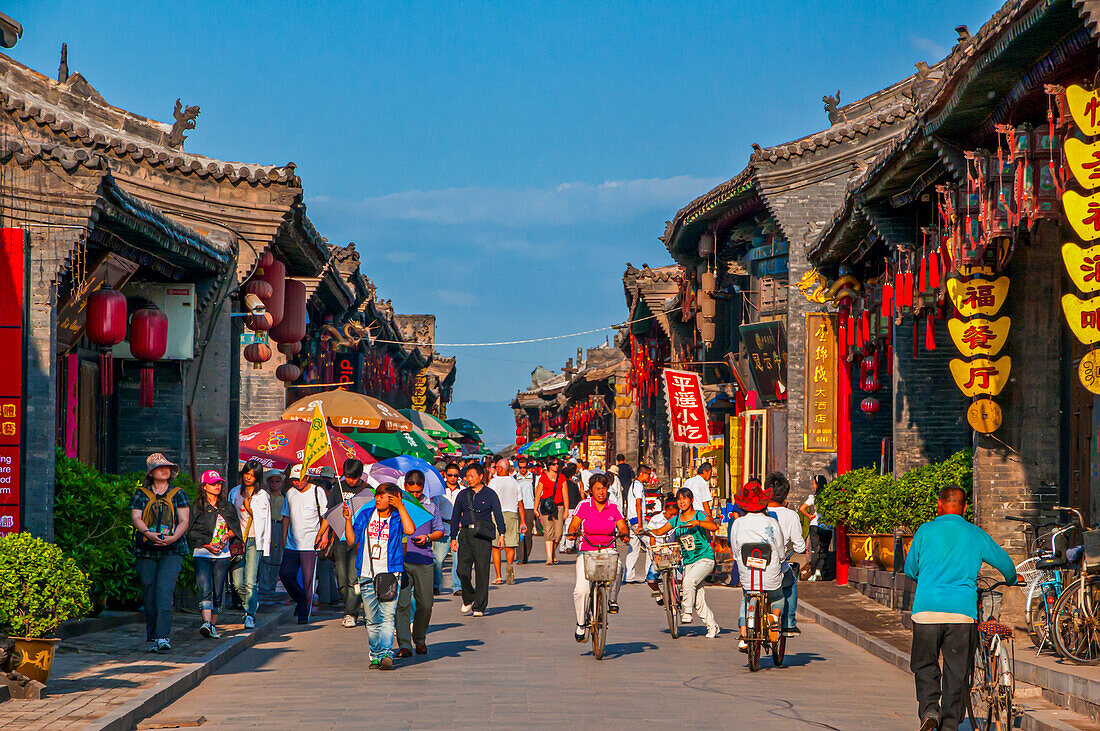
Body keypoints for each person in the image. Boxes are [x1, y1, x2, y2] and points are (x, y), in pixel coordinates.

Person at [904, 485, 1017, 731]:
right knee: (956, 673)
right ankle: (949, 725)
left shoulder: (925, 531)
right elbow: (1007, 566)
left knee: (925, 665)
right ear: (965, 507)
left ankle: (929, 709)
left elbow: (910, 569)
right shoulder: (975, 534)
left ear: (939, 505)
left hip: (926, 612)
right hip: (962, 615)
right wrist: (1011, 579)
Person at [343, 482, 416, 670]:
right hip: (367, 574)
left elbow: (410, 531)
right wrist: (348, 520)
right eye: (377, 495)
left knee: (388, 616)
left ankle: (385, 654)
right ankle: (374, 653)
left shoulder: (398, 517)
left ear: (392, 498)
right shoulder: (366, 515)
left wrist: (401, 506)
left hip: (390, 573)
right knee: (371, 619)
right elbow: (351, 540)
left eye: (382, 496)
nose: (377, 499)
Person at [129, 453, 191, 653]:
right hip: (146, 548)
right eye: (160, 467)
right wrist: (148, 533)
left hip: (173, 550)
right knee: (149, 592)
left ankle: (163, 636)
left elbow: (184, 520)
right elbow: (136, 517)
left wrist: (173, 538)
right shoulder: (141, 493)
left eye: (168, 468)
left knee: (164, 591)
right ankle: (154, 635)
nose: (165, 470)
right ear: (151, 472)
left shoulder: (178, 493)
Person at [649, 487, 720, 638]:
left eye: (685, 498)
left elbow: (714, 526)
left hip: (704, 559)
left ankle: (686, 612)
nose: (681, 502)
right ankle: (712, 626)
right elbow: (660, 531)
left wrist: (698, 522)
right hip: (688, 562)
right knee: (698, 599)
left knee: (688, 581)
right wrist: (644, 530)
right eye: (679, 499)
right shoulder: (675, 519)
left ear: (691, 500)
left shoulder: (699, 514)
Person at [566, 473, 628, 641]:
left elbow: (622, 525)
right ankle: (580, 624)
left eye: (604, 488)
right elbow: (574, 523)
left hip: (608, 549)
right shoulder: (584, 505)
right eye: (597, 489)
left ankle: (612, 600)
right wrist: (572, 533)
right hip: (587, 550)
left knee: (619, 568)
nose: (601, 492)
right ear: (591, 491)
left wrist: (624, 534)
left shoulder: (613, 507)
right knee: (582, 590)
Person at [729, 480, 785, 652]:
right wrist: (781, 560)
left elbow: (735, 550)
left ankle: (743, 635)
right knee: (778, 597)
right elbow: (780, 550)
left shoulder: (738, 523)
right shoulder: (772, 523)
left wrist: (741, 562)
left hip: (748, 573)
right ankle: (774, 617)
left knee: (746, 598)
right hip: (769, 573)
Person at [395, 470, 445, 657]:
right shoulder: (400, 506)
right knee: (403, 604)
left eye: (418, 491)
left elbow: (440, 530)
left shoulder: (431, 506)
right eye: (411, 491)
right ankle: (405, 644)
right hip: (402, 561)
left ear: (423, 487)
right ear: (405, 487)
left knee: (426, 604)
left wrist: (428, 537)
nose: (415, 495)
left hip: (424, 560)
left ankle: (420, 638)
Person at [188, 470, 241, 639]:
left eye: (219, 483)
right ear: (204, 486)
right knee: (205, 589)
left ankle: (211, 625)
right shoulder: (196, 507)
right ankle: (206, 622)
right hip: (202, 553)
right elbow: (190, 531)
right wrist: (206, 544)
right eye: (213, 483)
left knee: (219, 591)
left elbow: (236, 529)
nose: (217, 486)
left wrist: (227, 536)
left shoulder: (226, 506)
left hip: (223, 555)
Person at [449, 463, 506, 616]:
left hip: (482, 537)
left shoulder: (490, 494)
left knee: (482, 571)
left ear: (481, 476)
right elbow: (455, 517)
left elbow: (498, 514)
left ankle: (479, 606)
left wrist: (502, 534)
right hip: (465, 535)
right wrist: (453, 537)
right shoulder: (462, 494)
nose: (470, 479)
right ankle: (468, 597)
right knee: (462, 570)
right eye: (468, 476)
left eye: (473, 476)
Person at [279, 464, 332, 624]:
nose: (296, 483)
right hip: (292, 543)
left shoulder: (318, 491)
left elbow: (326, 516)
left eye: (299, 479)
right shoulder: (290, 493)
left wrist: (323, 536)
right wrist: (283, 538)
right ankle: (301, 600)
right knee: (286, 574)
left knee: (308, 579)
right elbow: (286, 516)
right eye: (294, 480)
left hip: (311, 543)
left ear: (307, 477)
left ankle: (304, 615)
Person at [228, 460, 271, 631]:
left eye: (252, 475)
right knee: (237, 583)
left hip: (254, 540)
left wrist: (249, 508)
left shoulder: (262, 496)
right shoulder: (234, 492)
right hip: (238, 541)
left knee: (251, 580)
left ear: (258, 477)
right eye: (246, 473)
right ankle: (251, 602)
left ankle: (250, 614)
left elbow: (264, 521)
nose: (248, 477)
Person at [764, 472, 806, 636]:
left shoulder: (759, 513)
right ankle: (788, 622)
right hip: (779, 564)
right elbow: (799, 545)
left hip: (756, 564)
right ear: (786, 494)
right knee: (791, 581)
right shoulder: (791, 516)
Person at [332, 458, 372, 627]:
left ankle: (351, 613)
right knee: (341, 580)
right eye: (348, 477)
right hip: (339, 539)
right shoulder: (337, 488)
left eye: (354, 477)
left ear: (360, 475)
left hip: (358, 540)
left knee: (352, 579)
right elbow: (330, 512)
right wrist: (323, 534)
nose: (351, 480)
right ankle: (350, 604)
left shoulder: (369, 491)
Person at [488, 458, 525, 584]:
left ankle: (498, 576)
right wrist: (523, 521)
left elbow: (489, 500)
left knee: (496, 546)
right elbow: (520, 503)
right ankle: (509, 565)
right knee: (510, 545)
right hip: (512, 515)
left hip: (496, 515)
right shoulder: (515, 483)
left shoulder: (493, 482)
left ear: (500, 468)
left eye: (496, 466)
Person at [644, 494, 680, 604]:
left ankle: (681, 590)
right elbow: (652, 536)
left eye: (675, 514)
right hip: (658, 551)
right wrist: (655, 551)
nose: (672, 517)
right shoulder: (656, 519)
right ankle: (657, 592)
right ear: (664, 510)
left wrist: (676, 550)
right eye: (670, 514)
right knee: (651, 578)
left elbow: (678, 535)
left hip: (673, 549)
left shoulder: (678, 519)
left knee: (683, 572)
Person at [257, 472, 284, 603]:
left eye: (276, 481)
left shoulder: (283, 498)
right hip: (266, 526)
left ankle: (271, 586)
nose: (274, 484)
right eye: (271, 481)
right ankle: (264, 587)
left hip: (278, 526)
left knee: (277, 558)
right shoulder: (264, 496)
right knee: (265, 557)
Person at [535, 458, 567, 565]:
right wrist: (535, 508)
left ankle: (553, 552)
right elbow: (538, 494)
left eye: (558, 464)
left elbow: (565, 495)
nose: (556, 466)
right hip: (545, 507)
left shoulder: (562, 477)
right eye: (553, 464)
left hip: (559, 507)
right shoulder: (543, 478)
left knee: (558, 534)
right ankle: (549, 558)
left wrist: (566, 510)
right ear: (549, 465)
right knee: (548, 532)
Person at [800, 474, 832, 581]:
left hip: (814, 525)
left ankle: (813, 573)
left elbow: (802, 508)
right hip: (827, 526)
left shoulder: (813, 497)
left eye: (813, 483)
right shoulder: (830, 497)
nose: (813, 486)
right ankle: (820, 571)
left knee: (814, 550)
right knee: (824, 550)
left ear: (817, 484)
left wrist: (809, 516)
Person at [624, 464, 652, 582]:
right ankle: (649, 575)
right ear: (642, 474)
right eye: (648, 474)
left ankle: (628, 575)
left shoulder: (634, 485)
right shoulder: (638, 485)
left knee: (634, 547)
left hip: (632, 519)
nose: (649, 477)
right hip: (637, 520)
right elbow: (638, 504)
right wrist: (640, 524)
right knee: (651, 544)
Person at [439, 462, 464, 595]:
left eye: (455, 475)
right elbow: (435, 509)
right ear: (446, 475)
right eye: (450, 475)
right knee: (438, 559)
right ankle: (436, 585)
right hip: (442, 526)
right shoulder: (439, 490)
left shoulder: (463, 490)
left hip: (458, 528)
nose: (452, 478)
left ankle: (457, 587)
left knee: (457, 559)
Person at [514, 457, 537, 563]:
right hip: (518, 508)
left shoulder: (533, 477)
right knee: (519, 533)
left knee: (527, 533)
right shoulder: (514, 478)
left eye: (524, 467)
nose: (523, 469)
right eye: (520, 467)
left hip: (529, 507)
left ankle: (526, 554)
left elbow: (537, 493)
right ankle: (519, 557)